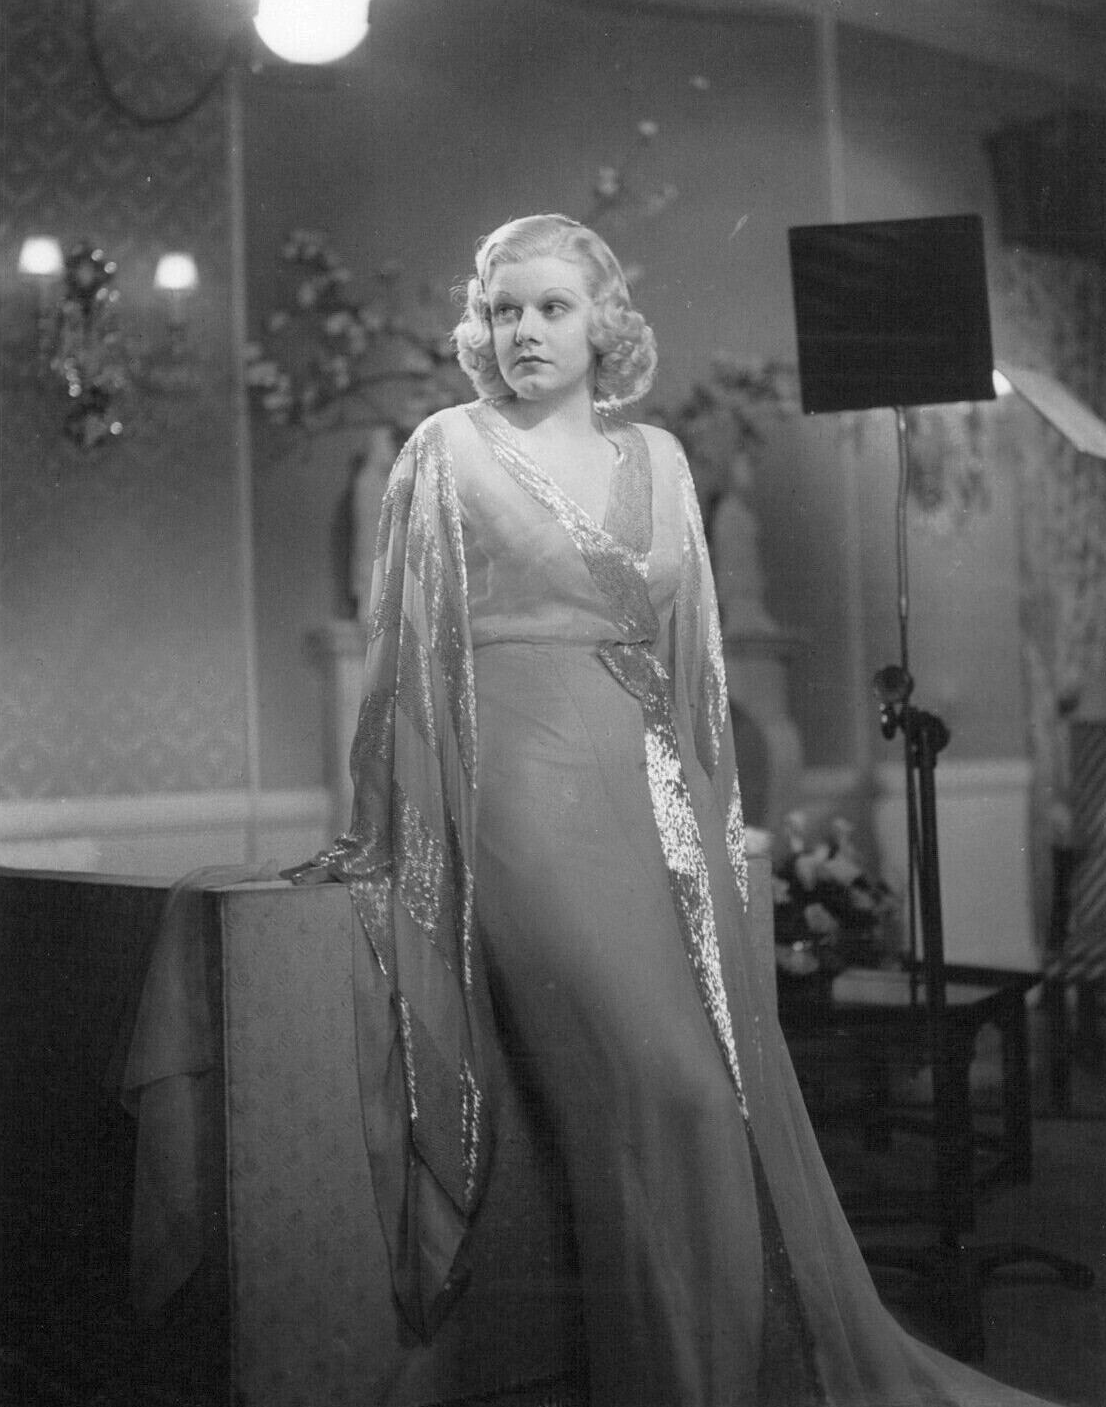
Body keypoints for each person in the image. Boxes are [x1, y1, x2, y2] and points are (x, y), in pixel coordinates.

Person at [289, 213, 1066, 1406]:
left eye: (551, 306)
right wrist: (392, 814)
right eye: (504, 309)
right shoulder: (447, 447)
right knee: (666, 1086)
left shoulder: (658, 457)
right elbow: (401, 650)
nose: (524, 330)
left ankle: (726, 1367)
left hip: (651, 786)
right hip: (519, 790)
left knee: (717, 1085)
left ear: (603, 322)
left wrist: (703, 820)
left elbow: (693, 664)